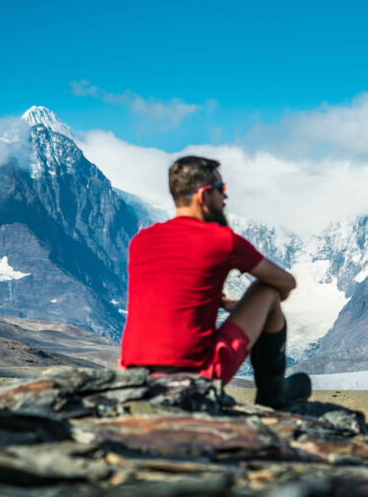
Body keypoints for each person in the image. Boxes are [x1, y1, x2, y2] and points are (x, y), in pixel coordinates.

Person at [119, 155, 310, 409]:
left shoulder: (141, 241)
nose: (225, 198)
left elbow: (174, 294)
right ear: (203, 196)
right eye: (221, 190)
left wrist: (225, 304)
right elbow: (286, 282)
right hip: (196, 375)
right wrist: (262, 308)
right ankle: (273, 393)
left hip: (133, 374)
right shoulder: (221, 240)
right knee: (267, 289)